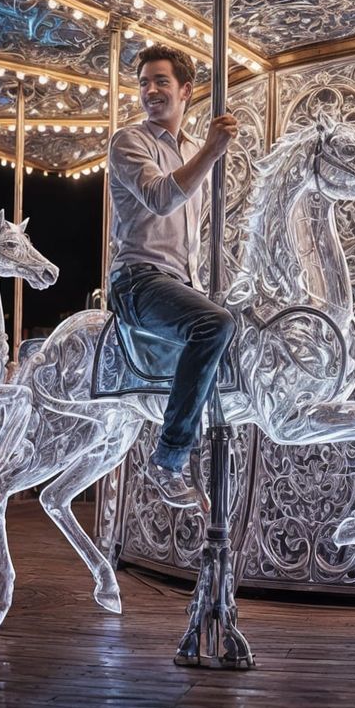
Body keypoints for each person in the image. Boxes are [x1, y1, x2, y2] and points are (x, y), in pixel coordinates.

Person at [107, 44, 239, 509]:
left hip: (180, 282)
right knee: (215, 324)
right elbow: (161, 199)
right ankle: (168, 458)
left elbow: (192, 238)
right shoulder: (130, 141)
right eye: (144, 82)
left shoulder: (187, 150)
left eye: (161, 81)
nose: (150, 91)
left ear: (185, 90)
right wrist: (211, 150)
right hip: (137, 280)